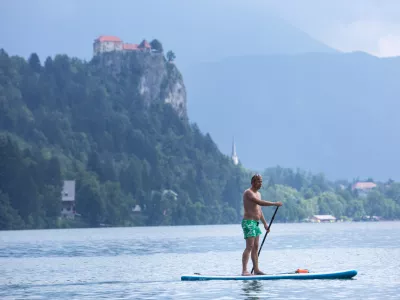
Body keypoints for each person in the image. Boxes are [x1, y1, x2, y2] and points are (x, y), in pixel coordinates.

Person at [241, 174, 282, 276]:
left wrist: (265, 224)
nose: (261, 183)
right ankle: (244, 270)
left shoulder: (258, 193)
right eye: (259, 181)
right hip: (248, 222)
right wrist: (274, 204)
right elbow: (260, 202)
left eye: (261, 181)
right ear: (253, 182)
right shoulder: (248, 193)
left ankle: (256, 269)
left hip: (256, 223)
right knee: (249, 246)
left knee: (255, 247)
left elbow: (259, 210)